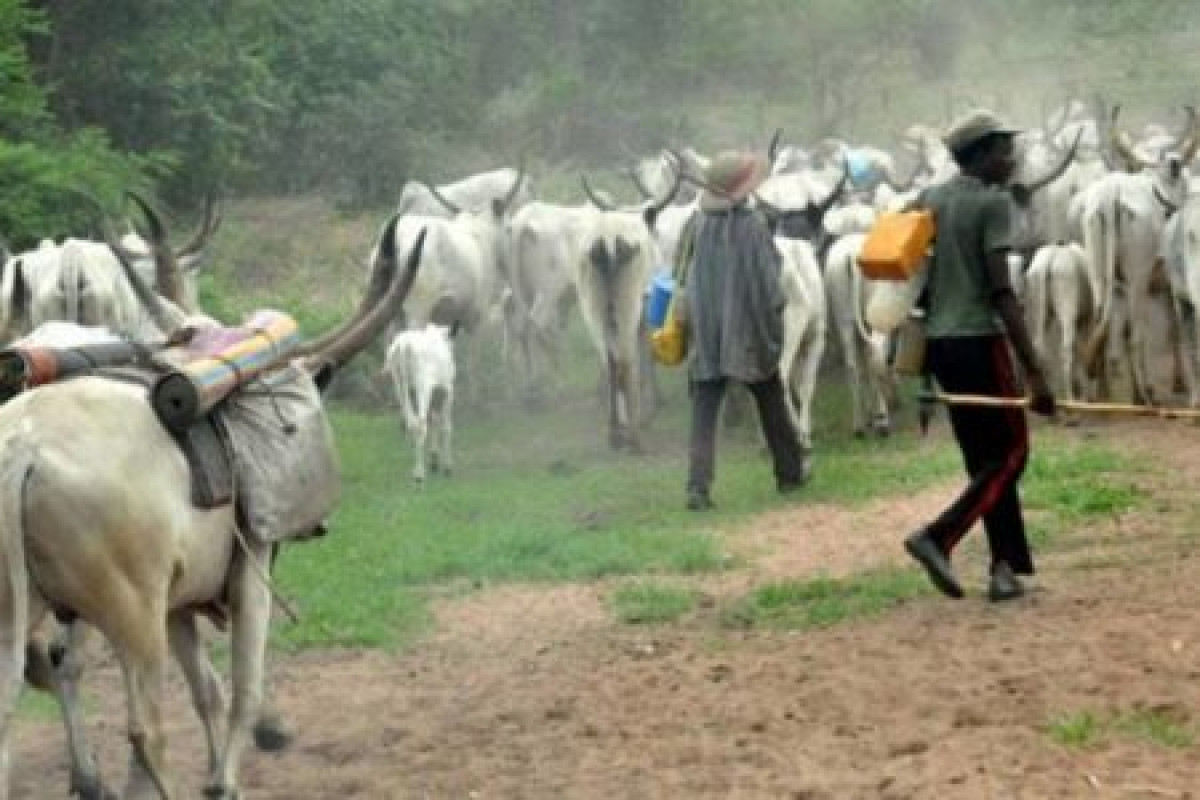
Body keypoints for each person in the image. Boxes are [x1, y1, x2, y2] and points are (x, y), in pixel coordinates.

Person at [902, 109, 1057, 602]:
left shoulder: (931, 198)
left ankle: (1004, 569)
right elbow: (1001, 292)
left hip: (942, 345)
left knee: (983, 461)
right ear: (983, 154)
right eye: (1003, 149)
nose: (1011, 158)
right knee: (1012, 452)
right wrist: (1035, 372)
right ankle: (939, 536)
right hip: (979, 340)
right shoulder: (994, 204)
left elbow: (920, 280)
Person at [679, 150, 809, 512]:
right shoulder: (752, 225)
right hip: (747, 331)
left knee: (704, 409)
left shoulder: (697, 224)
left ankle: (697, 487)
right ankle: (790, 474)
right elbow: (769, 282)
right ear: (740, 187)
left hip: (707, 332)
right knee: (770, 399)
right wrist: (774, 315)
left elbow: (685, 276)